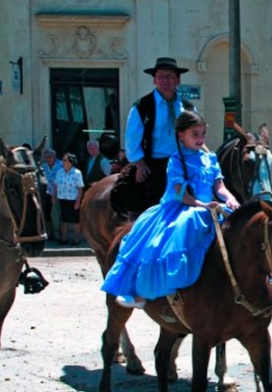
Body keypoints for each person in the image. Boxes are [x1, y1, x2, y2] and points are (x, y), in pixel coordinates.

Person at [101, 110, 241, 309]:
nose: (201, 138)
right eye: (195, 134)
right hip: (182, 207)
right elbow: (182, 195)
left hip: (209, 207)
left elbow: (219, 187)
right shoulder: (176, 160)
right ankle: (157, 287)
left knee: (241, 220)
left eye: (203, 134)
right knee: (187, 223)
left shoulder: (210, 159)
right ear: (180, 135)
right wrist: (204, 205)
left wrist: (231, 198)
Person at [125, 57, 194, 211]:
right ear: (154, 80)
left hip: (183, 162)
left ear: (178, 80)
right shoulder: (142, 107)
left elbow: (196, 136)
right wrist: (140, 164)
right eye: (160, 76)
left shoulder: (188, 108)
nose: (165, 80)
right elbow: (131, 140)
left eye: (169, 76)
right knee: (145, 204)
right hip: (154, 164)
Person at [53, 152, 84, 246]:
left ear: (70, 162)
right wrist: (53, 196)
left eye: (65, 160)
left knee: (75, 221)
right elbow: (55, 184)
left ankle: (76, 239)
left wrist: (78, 201)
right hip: (62, 199)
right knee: (64, 220)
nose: (63, 161)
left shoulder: (77, 173)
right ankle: (64, 239)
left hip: (73, 199)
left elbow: (80, 187)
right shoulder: (60, 172)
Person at [242, 123, 272, 201]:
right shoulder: (252, 151)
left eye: (266, 135)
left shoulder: (267, 152)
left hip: (267, 191)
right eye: (262, 134)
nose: (264, 136)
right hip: (255, 192)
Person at [40, 147, 62, 241]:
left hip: (59, 193)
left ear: (54, 156)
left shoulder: (61, 165)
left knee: (57, 215)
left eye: (50, 156)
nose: (48, 159)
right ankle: (50, 233)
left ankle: (59, 234)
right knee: (47, 214)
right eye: (46, 157)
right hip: (47, 193)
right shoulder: (43, 167)